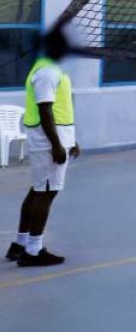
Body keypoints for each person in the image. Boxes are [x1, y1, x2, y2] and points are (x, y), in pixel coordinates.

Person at [7, 27, 80, 267]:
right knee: (46, 193)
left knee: (38, 190)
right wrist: (57, 145)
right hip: (48, 142)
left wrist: (70, 141)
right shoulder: (47, 71)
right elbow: (45, 110)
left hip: (53, 138)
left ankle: (20, 245)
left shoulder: (50, 69)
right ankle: (33, 251)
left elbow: (59, 109)